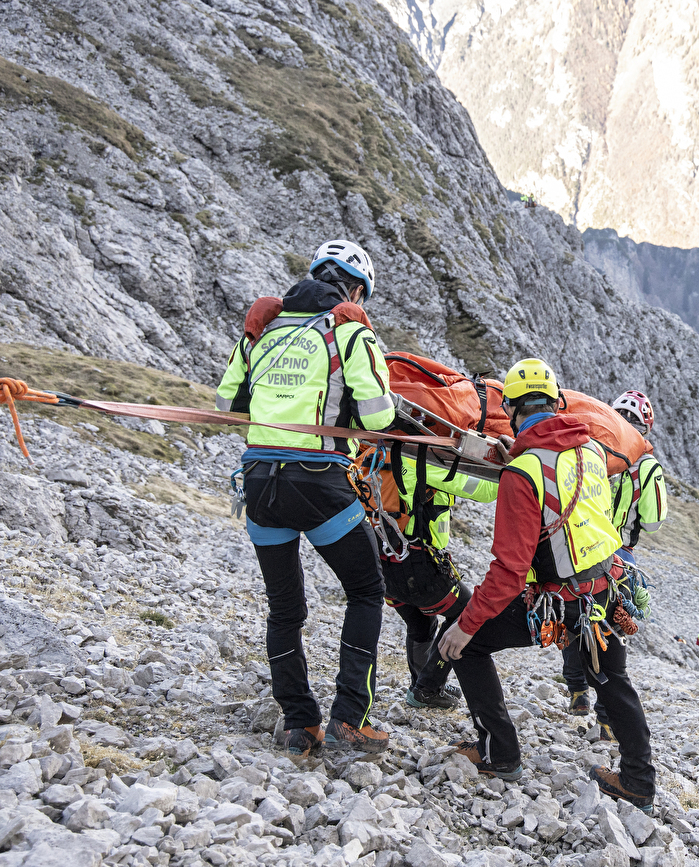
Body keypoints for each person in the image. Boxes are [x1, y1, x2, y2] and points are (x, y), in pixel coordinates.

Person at [438, 358, 657, 811]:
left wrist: (466, 624)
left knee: (466, 644)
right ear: (558, 404)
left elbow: (508, 574)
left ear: (513, 411)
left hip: (562, 603)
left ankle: (501, 753)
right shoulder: (592, 450)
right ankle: (639, 779)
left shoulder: (523, 473)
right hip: (607, 590)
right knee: (613, 680)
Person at [216, 239, 394, 755]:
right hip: (318, 481)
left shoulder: (263, 328)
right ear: (356, 288)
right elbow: (379, 418)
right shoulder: (348, 328)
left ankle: (300, 724)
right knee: (364, 589)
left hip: (259, 483)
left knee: (285, 608)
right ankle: (348, 718)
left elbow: (229, 402)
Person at [564, 389, 667, 735]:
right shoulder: (648, 466)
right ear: (646, 429)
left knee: (574, 616)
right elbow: (653, 521)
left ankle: (577, 688)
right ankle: (607, 721)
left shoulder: (591, 447)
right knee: (614, 631)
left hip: (583, 547)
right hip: (620, 553)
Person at [380, 451, 498, 710]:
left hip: (384, 560)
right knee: (467, 614)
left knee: (420, 623)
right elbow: (485, 491)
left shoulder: (377, 452)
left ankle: (421, 683)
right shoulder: (422, 459)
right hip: (420, 565)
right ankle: (427, 688)